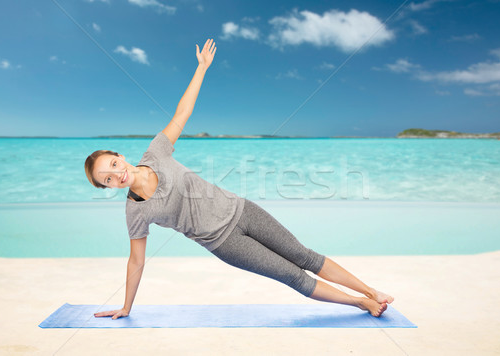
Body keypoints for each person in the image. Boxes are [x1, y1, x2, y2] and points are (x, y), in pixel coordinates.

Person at [85, 39, 393, 320]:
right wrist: (127, 306)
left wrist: (201, 68)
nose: (117, 174)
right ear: (108, 188)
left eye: (113, 164)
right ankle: (360, 304)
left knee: (303, 255)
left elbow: (183, 112)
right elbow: (135, 261)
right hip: (225, 242)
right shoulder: (135, 211)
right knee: (293, 275)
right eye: (108, 179)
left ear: (120, 155)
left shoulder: (156, 153)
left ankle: (371, 292)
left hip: (243, 210)